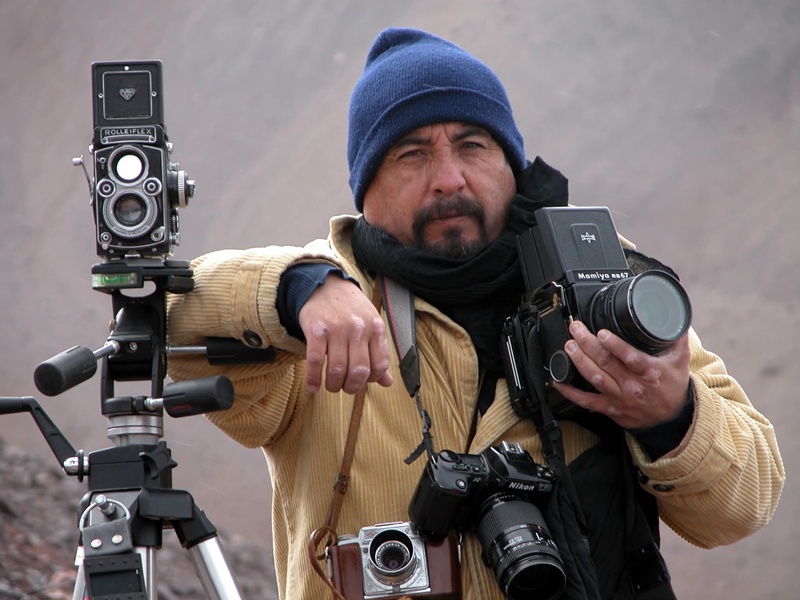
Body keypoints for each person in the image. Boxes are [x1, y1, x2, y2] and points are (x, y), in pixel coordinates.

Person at [166, 28, 784, 600]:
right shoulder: (316, 318)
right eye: (411, 153)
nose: (449, 179)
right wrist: (295, 288)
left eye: (472, 146)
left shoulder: (600, 284)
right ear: (365, 189)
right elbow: (168, 316)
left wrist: (670, 417)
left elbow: (744, 504)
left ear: (510, 165)